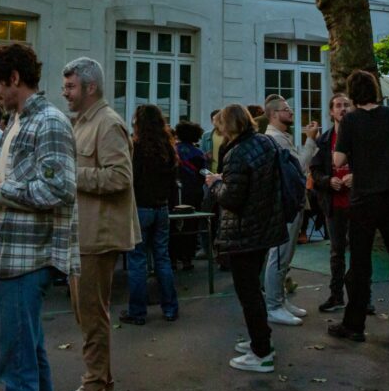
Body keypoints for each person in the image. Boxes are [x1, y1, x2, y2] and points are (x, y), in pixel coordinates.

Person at [0, 43, 79, 391]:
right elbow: (9, 176)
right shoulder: (19, 119)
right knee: (28, 354)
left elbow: (59, 189)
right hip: (12, 255)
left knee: (17, 367)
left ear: (15, 78)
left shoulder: (48, 121)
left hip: (25, 260)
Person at [58, 57, 138, 391]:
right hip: (84, 232)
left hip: (97, 235)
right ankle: (98, 385)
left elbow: (120, 178)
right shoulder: (84, 123)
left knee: (92, 315)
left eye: (71, 87)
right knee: (86, 314)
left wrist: (71, 173)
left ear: (91, 87)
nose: (66, 93)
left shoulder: (107, 124)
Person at [328, 70, 389, 342]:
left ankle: (354, 324)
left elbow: (337, 160)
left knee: (360, 262)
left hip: (363, 199)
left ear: (353, 94)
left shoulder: (351, 120)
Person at [205, 105, 286, 372]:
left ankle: (261, 351)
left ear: (228, 125)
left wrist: (215, 183)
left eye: (220, 125)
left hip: (244, 231)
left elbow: (232, 198)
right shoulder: (265, 142)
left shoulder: (237, 153)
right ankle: (259, 340)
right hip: (264, 226)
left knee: (248, 291)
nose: (219, 130)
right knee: (254, 289)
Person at [120, 104, 179, 326]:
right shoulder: (168, 148)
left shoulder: (135, 148)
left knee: (138, 261)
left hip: (140, 208)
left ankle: (138, 311)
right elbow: (173, 182)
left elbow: (128, 179)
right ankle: (170, 307)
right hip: (161, 207)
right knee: (162, 258)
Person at [262, 96, 318, 326]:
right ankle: (274, 305)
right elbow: (300, 167)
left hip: (290, 202)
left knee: (284, 256)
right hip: (284, 205)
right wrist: (310, 141)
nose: (292, 112)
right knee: (279, 256)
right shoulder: (276, 139)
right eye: (286, 110)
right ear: (274, 114)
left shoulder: (281, 137)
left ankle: (279, 301)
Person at [309, 93, 356, 312]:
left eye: (346, 105)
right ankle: (336, 295)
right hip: (334, 204)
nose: (342, 109)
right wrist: (329, 181)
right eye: (338, 105)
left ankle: (362, 296)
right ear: (331, 111)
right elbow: (315, 171)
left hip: (358, 202)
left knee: (359, 252)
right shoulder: (325, 139)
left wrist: (356, 176)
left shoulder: (361, 137)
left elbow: (373, 165)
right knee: (337, 253)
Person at [172, 120, 206, 270]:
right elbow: (202, 175)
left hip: (174, 193)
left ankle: (172, 259)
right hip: (193, 193)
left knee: (173, 226)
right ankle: (187, 259)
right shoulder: (198, 153)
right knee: (191, 226)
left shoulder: (173, 150)